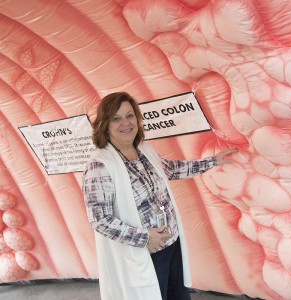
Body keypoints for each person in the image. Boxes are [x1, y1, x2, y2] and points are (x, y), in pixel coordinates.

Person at [82, 92, 237, 300]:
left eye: (130, 115)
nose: (126, 123)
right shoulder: (100, 166)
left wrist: (212, 162)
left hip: (171, 242)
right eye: (116, 118)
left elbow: (171, 170)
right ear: (105, 125)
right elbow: (100, 220)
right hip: (146, 252)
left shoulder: (144, 150)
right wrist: (145, 237)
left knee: (178, 295)